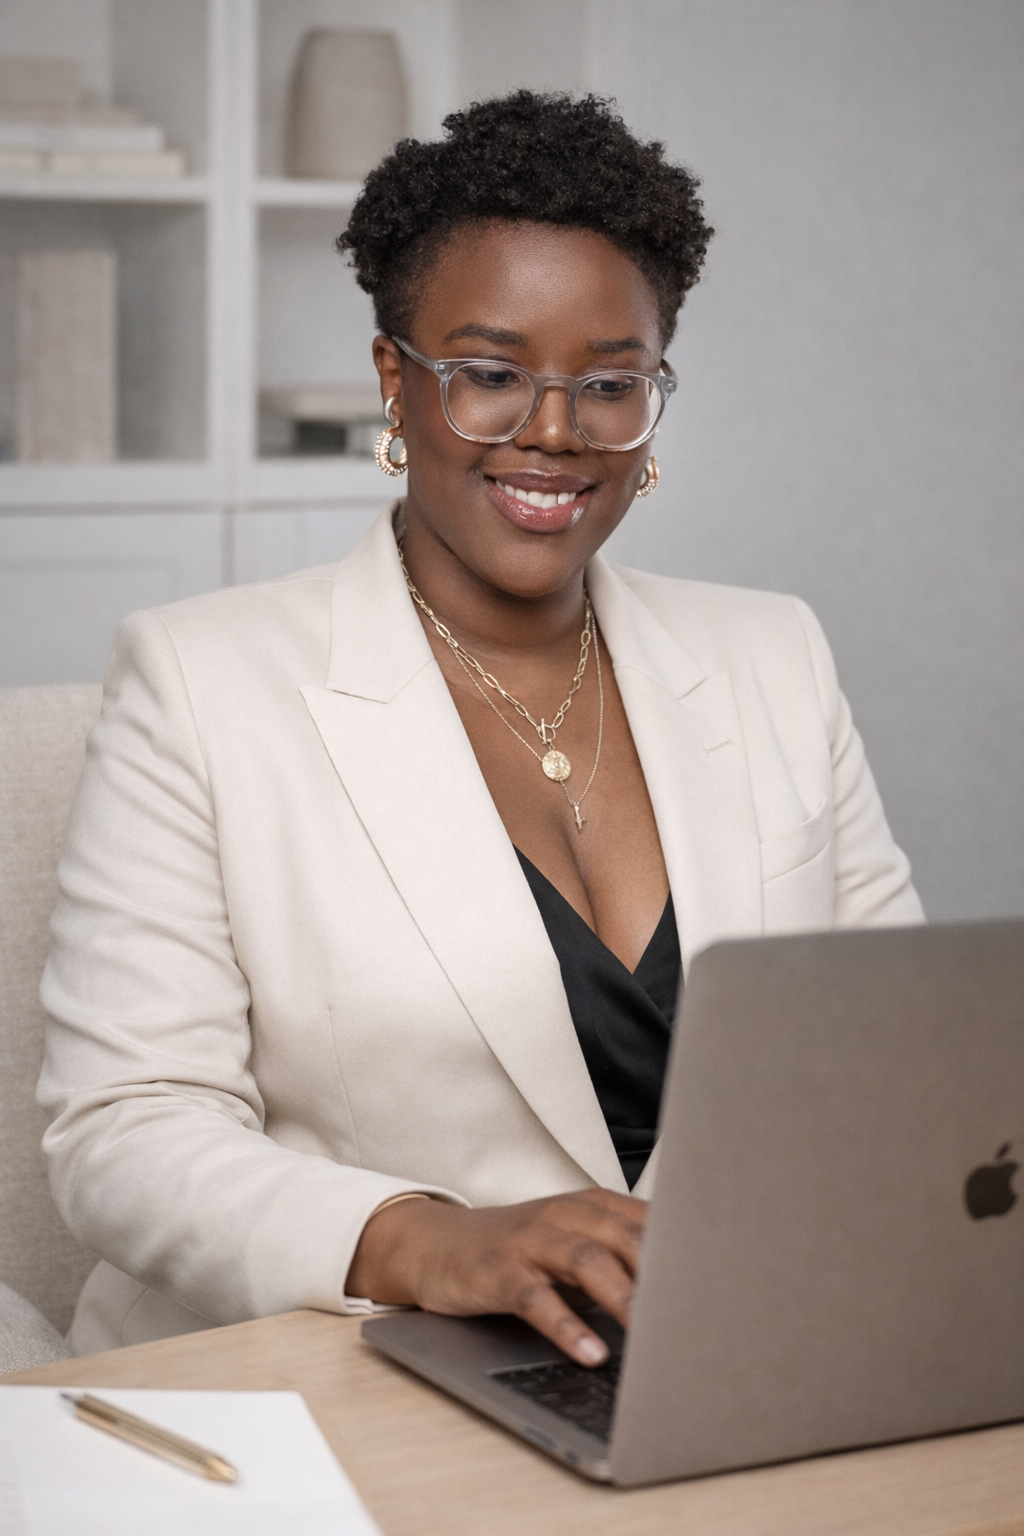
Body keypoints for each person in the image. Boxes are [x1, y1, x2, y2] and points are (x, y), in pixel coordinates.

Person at [39, 92, 922, 1362]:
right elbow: (123, 1130)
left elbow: (887, 1054)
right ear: (395, 386)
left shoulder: (770, 654)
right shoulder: (198, 680)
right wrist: (438, 1242)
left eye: (608, 384)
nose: (554, 433)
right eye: (491, 376)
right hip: (353, 1362)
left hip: (718, 1344)